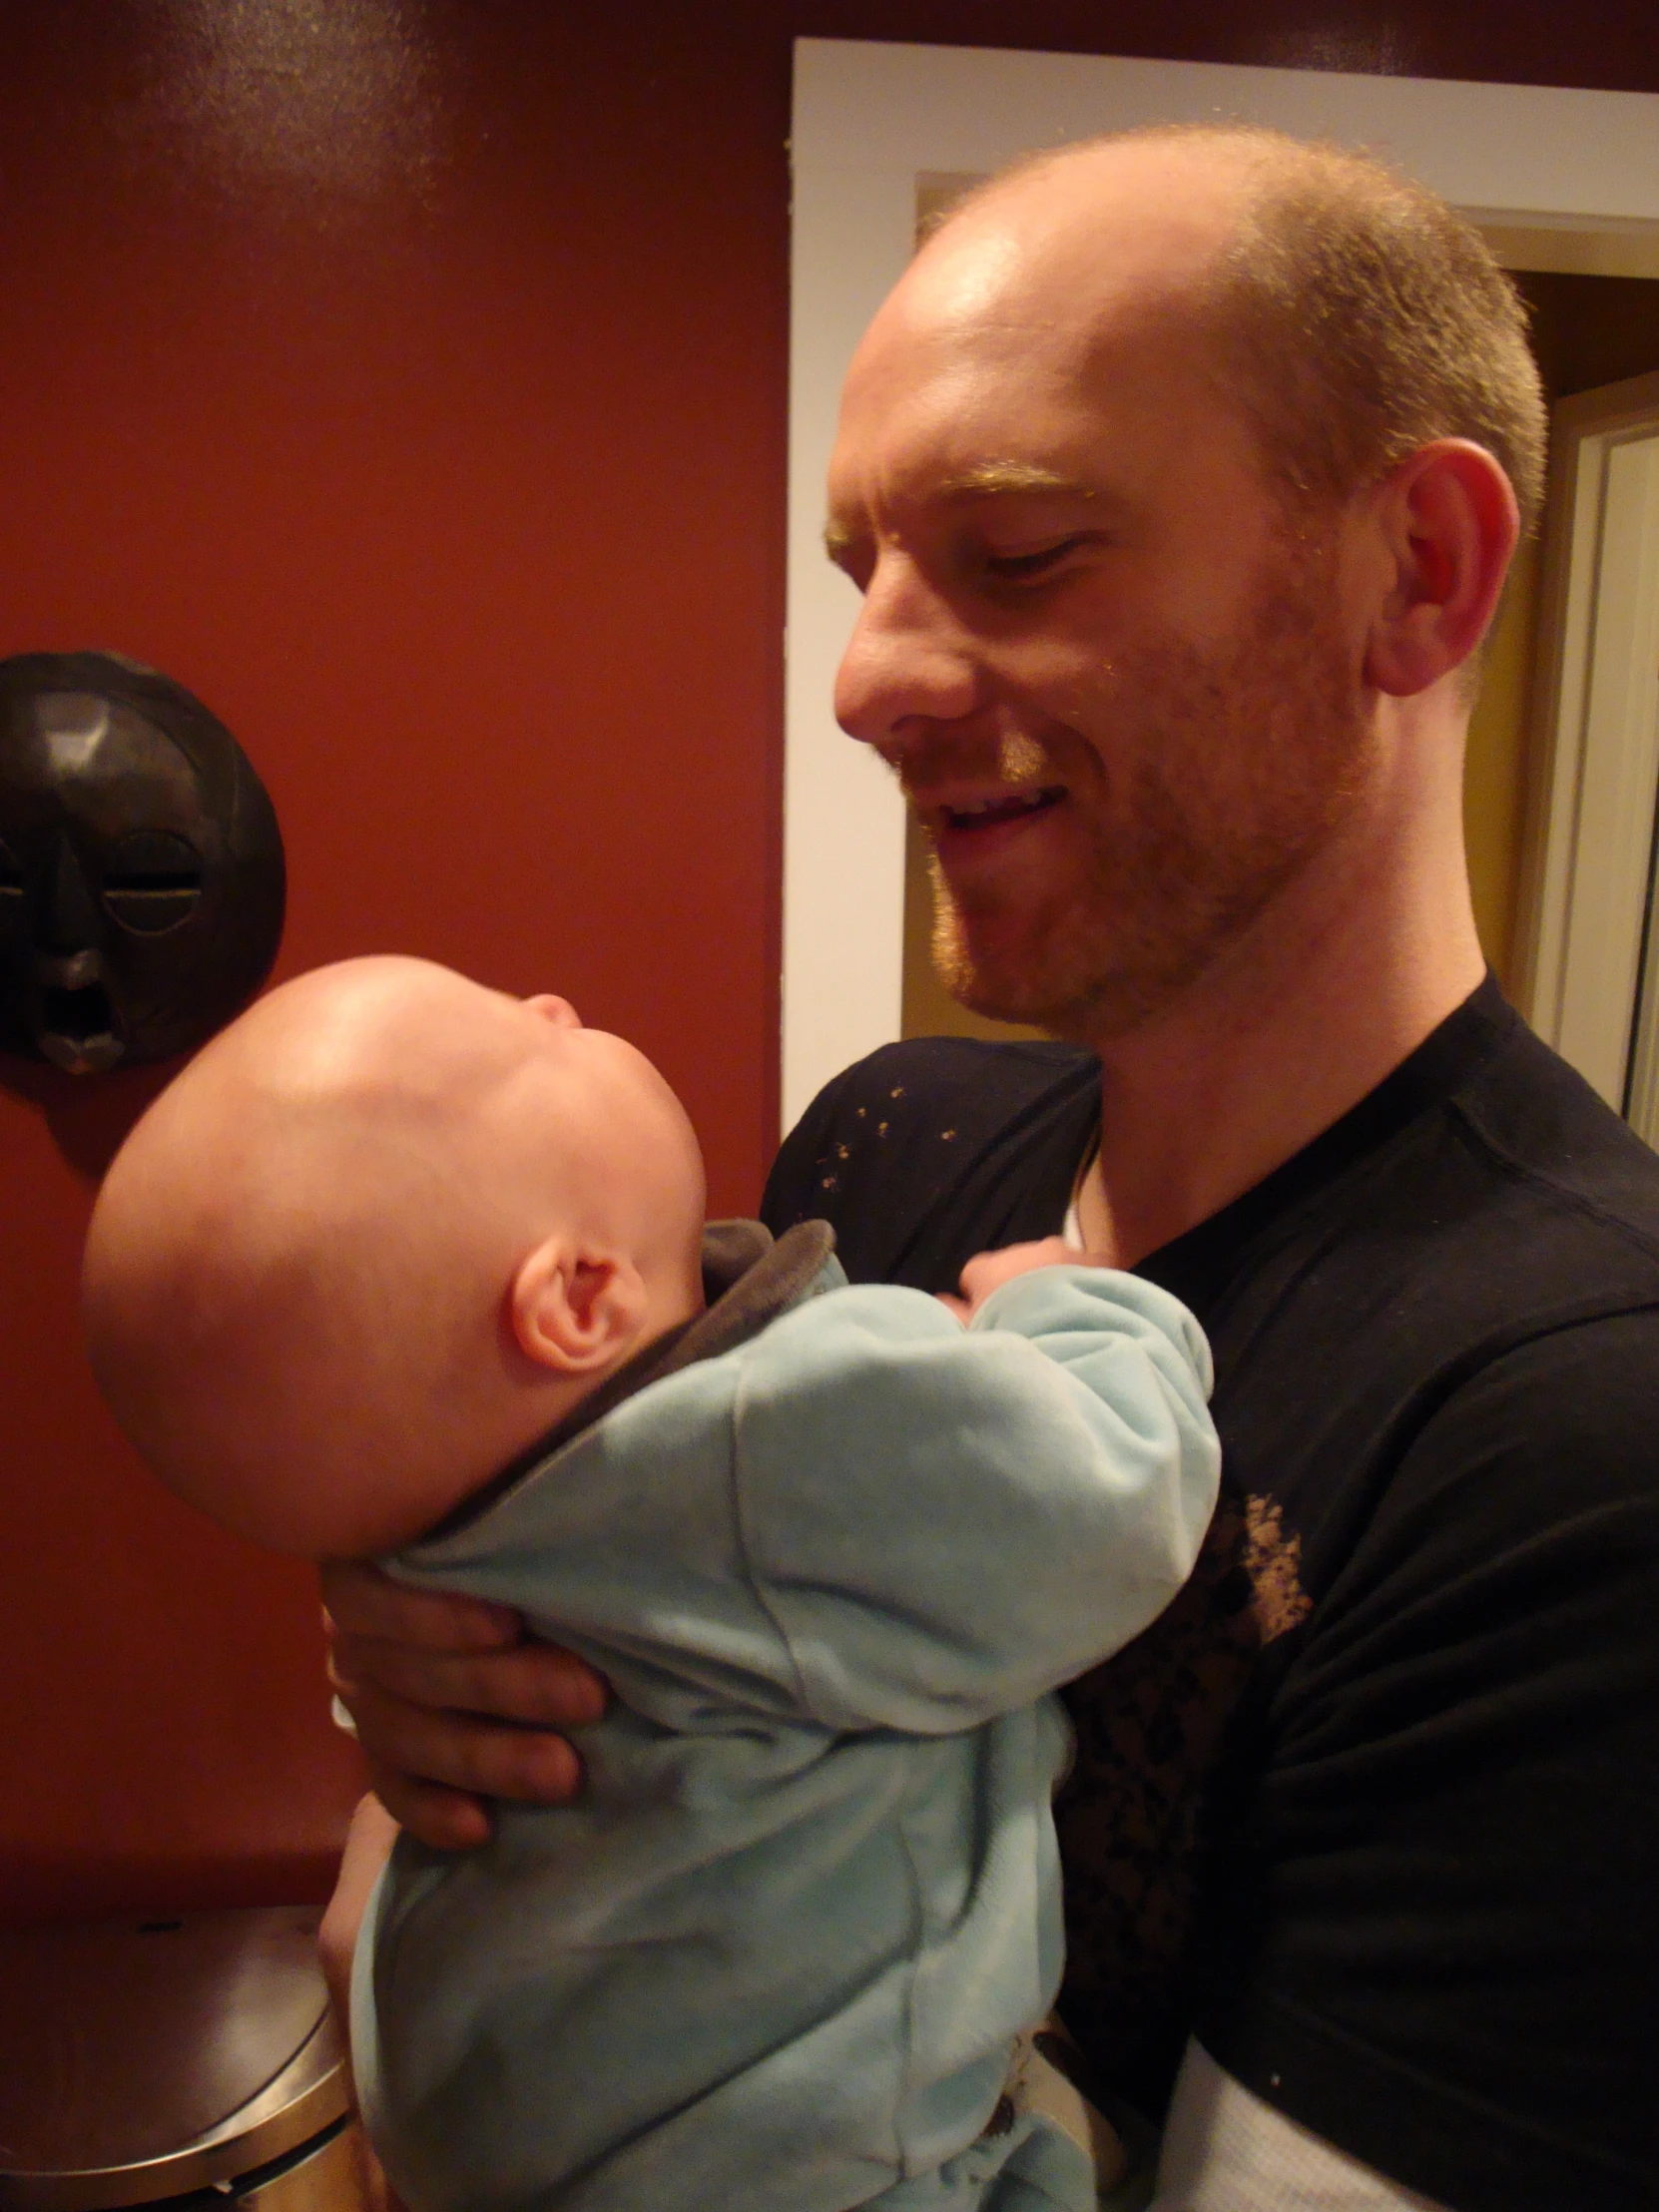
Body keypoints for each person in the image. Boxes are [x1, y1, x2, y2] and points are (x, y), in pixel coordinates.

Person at [319, 127, 1659, 2212]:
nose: (863, 682)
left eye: (1021, 554)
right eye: (869, 570)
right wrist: (433, 1658)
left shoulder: (1583, 1427)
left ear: (1418, 574)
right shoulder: (884, 1142)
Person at [83, 952, 1221, 2212]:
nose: (552, 1001)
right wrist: (1081, 1313)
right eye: (519, 1041)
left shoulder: (445, 1525)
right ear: (577, 1296)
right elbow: (1113, 1496)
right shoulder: (767, 1446)